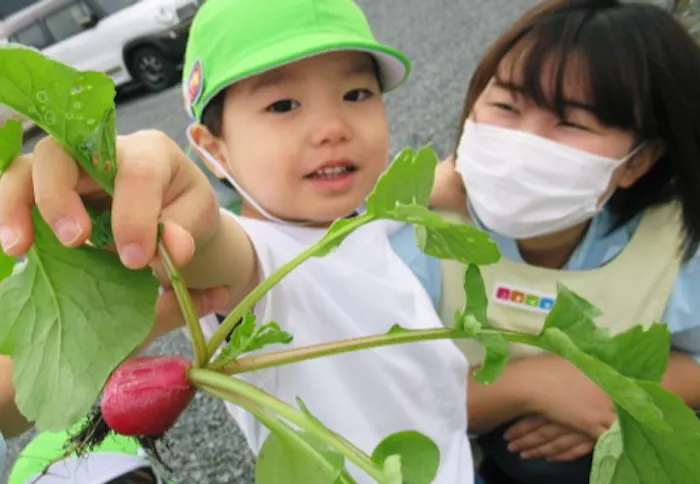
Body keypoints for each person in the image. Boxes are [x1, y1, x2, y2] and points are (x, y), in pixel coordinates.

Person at [0, 0, 479, 482]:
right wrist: (159, 195)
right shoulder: (251, 266)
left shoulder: (359, 214)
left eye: (356, 94)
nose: (334, 129)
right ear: (211, 149)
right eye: (284, 105)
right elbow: (207, 244)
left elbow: (411, 189)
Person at [427, 0, 700, 482]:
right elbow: (374, 394)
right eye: (507, 107)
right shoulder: (419, 235)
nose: (525, 144)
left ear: (638, 161)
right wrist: (528, 385)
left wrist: (613, 395)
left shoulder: (675, 246)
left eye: (571, 123)